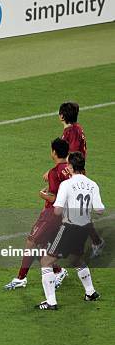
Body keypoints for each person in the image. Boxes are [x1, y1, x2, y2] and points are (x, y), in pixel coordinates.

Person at [36, 152, 104, 310]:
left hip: (68, 227)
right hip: (84, 229)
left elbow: (58, 211)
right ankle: (90, 292)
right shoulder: (93, 184)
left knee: (46, 261)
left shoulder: (66, 185)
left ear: (71, 167)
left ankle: (51, 302)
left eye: (68, 165)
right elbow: (100, 210)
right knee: (76, 259)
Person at [4, 139, 70, 290]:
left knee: (31, 242)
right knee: (41, 244)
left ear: (54, 152)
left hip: (52, 215)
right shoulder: (70, 168)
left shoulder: (55, 172)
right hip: (68, 214)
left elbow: (54, 199)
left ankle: (21, 278)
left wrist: (43, 195)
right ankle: (58, 271)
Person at [47, 101, 104, 257]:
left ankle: (63, 243)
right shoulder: (77, 128)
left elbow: (70, 156)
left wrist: (56, 172)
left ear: (62, 116)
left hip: (73, 175)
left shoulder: (70, 133)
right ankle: (94, 241)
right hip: (76, 172)